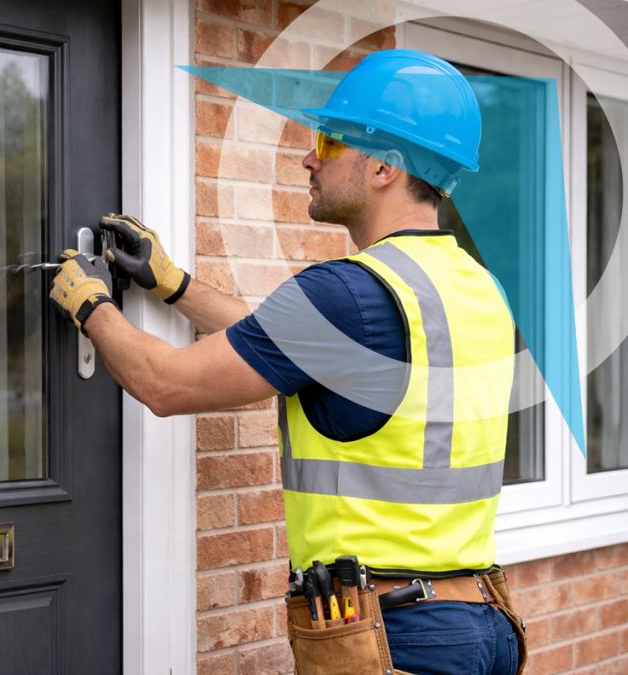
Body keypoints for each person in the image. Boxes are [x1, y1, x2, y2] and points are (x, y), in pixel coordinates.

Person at [48, 49, 526, 675]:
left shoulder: (346, 293)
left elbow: (163, 384)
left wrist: (92, 305)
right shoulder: (477, 288)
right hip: (481, 623)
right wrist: (174, 285)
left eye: (327, 142)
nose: (308, 157)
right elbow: (297, 346)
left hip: (397, 637)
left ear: (385, 166)